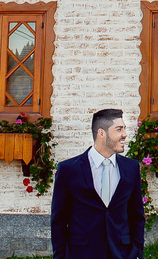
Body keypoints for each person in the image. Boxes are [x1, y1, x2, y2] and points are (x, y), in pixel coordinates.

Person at [51, 108, 146, 259]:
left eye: (124, 129)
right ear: (101, 133)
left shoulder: (131, 168)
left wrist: (137, 251)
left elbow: (137, 216)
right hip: (81, 254)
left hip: (122, 253)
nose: (125, 135)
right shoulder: (69, 169)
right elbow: (58, 220)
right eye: (119, 129)